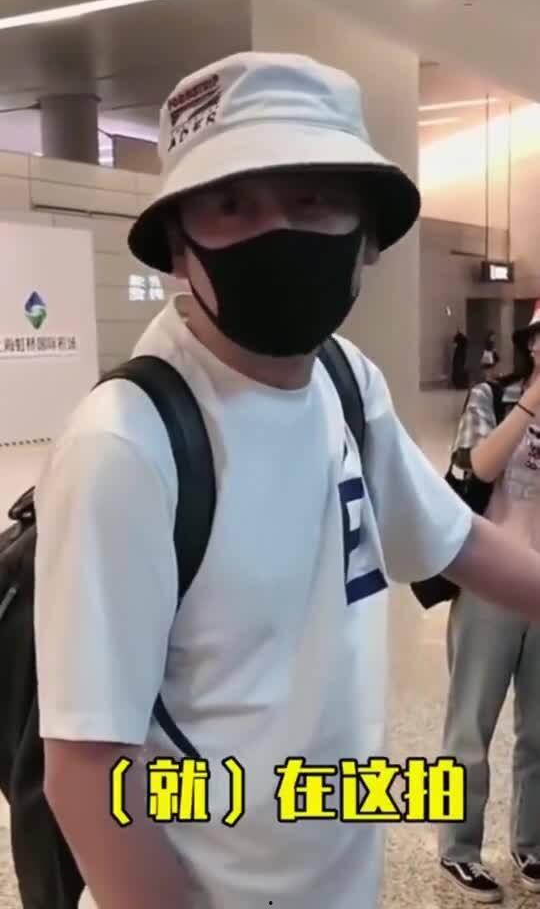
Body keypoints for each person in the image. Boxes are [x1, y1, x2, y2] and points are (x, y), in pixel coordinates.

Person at [34, 52, 540, 909]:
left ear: (367, 235)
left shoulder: (346, 382)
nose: (277, 232)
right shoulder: (127, 445)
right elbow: (85, 775)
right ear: (178, 245)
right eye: (232, 204)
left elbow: (456, 541)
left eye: (311, 198)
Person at [440, 301, 540, 902]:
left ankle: (532, 845)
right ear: (532, 344)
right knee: (470, 726)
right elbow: (477, 467)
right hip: (490, 584)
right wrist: (533, 401)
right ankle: (457, 849)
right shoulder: (490, 398)